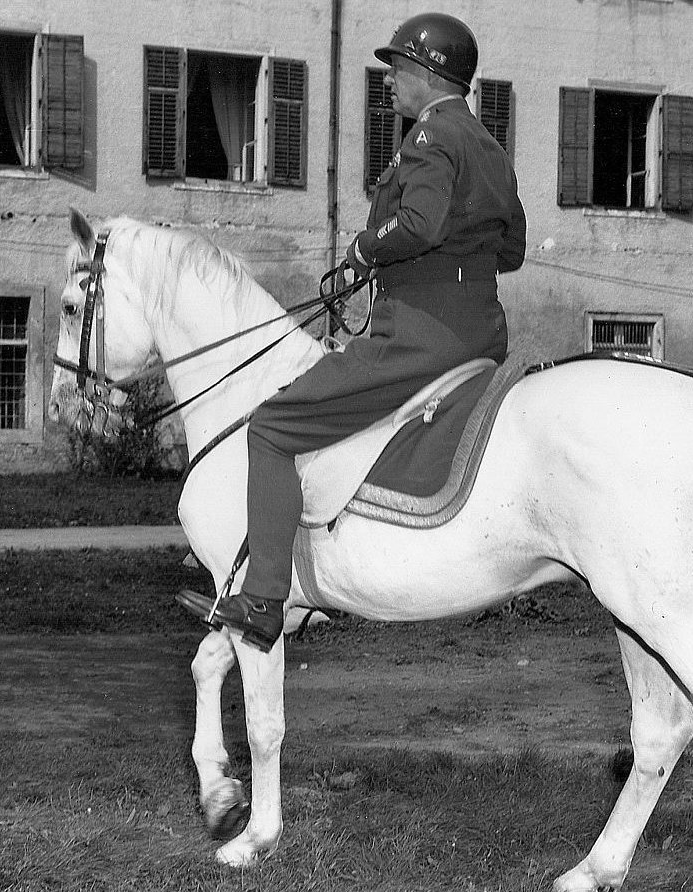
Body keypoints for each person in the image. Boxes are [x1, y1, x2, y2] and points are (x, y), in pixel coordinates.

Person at [205, 11, 527, 652]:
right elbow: (511, 251)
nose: (388, 81)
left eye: (398, 68)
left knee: (270, 429)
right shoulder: (489, 147)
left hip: (419, 338)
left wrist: (362, 248)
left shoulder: (431, 139)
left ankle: (265, 601)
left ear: (430, 75)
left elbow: (420, 226)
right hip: (481, 336)